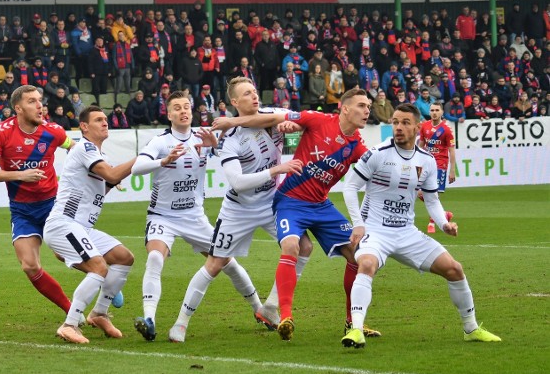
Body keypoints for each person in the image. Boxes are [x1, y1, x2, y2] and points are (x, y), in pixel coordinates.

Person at [214, 88, 380, 341]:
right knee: (292, 245)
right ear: (344, 108)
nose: (367, 110)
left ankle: (352, 322)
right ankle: (286, 317)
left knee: (357, 256)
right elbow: (270, 119)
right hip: (291, 201)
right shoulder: (317, 119)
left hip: (321, 206)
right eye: (361, 105)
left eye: (368, 106)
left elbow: (379, 172)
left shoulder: (357, 145)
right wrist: (232, 121)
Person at [341, 103, 500, 348]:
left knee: (454, 269)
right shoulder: (377, 153)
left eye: (405, 123)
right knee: (367, 264)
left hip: (407, 233)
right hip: (376, 231)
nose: (398, 127)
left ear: (418, 127)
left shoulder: (426, 161)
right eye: (395, 122)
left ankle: (471, 328)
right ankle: (356, 330)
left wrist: (444, 224)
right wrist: (358, 224)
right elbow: (350, 187)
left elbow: (432, 200)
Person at [168, 78, 309, 343]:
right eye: (247, 94)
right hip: (238, 209)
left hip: (271, 202)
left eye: (255, 91)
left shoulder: (270, 116)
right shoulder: (229, 138)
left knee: (302, 246)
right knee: (215, 263)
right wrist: (276, 170)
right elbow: (237, 183)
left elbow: (303, 123)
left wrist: (294, 126)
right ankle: (181, 323)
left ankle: (269, 307)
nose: (254, 97)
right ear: (234, 102)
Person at [128, 90, 219, 341]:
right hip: (162, 216)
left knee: (226, 261)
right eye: (177, 107)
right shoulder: (160, 141)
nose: (183, 111)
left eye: (186, 106)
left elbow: (230, 157)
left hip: (194, 217)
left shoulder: (204, 137)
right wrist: (163, 161)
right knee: (155, 258)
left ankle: (260, 308)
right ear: (168, 114)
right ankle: (150, 319)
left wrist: (215, 147)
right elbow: (136, 168)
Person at [44, 106, 137, 343]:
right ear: (84, 127)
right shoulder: (84, 147)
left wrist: (110, 181)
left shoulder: (99, 156)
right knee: (99, 267)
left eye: (106, 119)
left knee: (124, 257)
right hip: (65, 223)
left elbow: (105, 184)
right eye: (98, 120)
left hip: (82, 227)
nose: (105, 123)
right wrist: (142, 158)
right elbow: (113, 175)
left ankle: (99, 313)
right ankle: (70, 324)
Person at [0, 85, 75, 314]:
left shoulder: (53, 131)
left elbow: (75, 148)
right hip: (22, 209)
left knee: (66, 255)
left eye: (40, 100)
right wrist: (21, 175)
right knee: (29, 266)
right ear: (18, 108)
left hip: (52, 205)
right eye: (32, 101)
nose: (39, 105)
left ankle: (102, 275)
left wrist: (99, 172)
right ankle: (71, 311)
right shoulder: (0, 132)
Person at [418, 103, 456, 234]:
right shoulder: (425, 126)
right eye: (432, 110)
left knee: (433, 194)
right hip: (425, 163)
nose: (434, 112)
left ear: (441, 112)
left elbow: (451, 150)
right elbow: (421, 146)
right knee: (419, 193)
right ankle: (443, 214)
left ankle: (432, 223)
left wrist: (452, 170)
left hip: (440, 165)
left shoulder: (446, 129)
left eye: (437, 110)